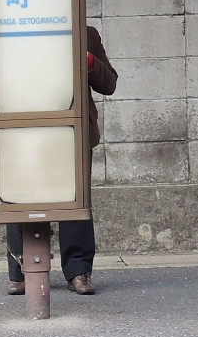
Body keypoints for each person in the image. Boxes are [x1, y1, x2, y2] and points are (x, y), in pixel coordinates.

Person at [7, 24, 117, 296]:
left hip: (73, 132)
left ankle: (78, 271)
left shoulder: (85, 33)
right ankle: (20, 270)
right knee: (20, 198)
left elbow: (109, 84)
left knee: (75, 201)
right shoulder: (11, 28)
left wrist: (89, 60)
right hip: (25, 132)